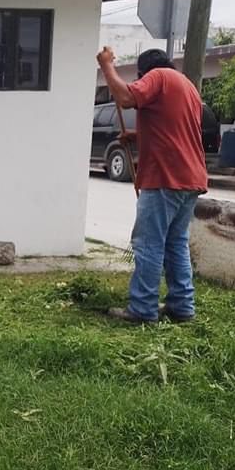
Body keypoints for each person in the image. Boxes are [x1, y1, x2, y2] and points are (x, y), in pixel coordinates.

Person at [96, 47, 208, 323]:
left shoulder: (157, 76)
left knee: (148, 244)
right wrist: (135, 135)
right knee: (175, 243)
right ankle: (182, 307)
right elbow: (173, 128)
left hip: (165, 177)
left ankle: (143, 308)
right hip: (190, 177)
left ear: (143, 72)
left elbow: (125, 97)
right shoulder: (186, 86)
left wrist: (107, 65)